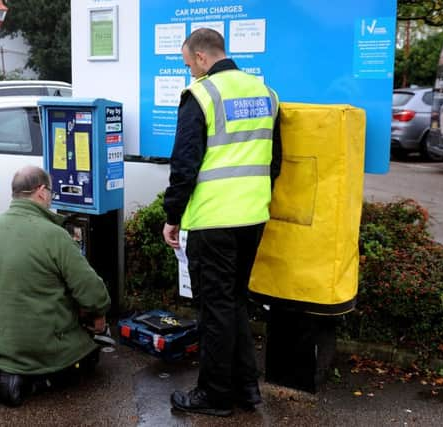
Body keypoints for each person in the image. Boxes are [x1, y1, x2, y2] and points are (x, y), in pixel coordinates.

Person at [162, 28, 282, 417]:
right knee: (233, 302)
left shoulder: (201, 95)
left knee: (215, 309)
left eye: (188, 66)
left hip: (213, 220)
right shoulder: (266, 94)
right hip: (252, 216)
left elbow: (184, 164)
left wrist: (172, 216)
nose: (190, 74)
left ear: (201, 57)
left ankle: (213, 395)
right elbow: (274, 161)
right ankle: (246, 388)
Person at [0, 165, 111, 410]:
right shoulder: (55, 235)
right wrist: (99, 313)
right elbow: (92, 293)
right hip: (33, 343)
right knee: (89, 357)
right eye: (50, 191)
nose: (51, 197)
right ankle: (19, 381)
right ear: (41, 192)